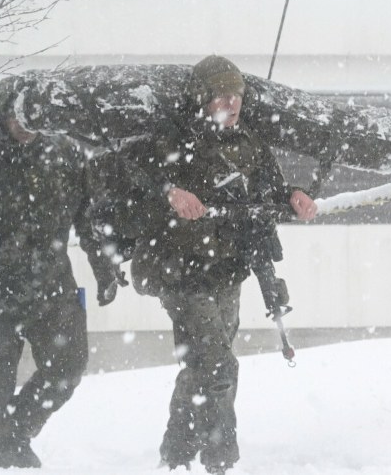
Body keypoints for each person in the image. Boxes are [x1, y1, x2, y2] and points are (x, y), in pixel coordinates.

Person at [118, 55, 316, 475]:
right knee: (219, 365)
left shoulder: (248, 141)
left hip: (227, 269)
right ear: (202, 98)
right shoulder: (173, 138)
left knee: (202, 368)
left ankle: (175, 457)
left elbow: (269, 188)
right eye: (222, 95)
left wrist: (293, 194)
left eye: (237, 94)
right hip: (179, 270)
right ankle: (220, 462)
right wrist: (171, 192)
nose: (232, 102)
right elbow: (129, 171)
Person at [0, 77, 124, 469]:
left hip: (52, 288)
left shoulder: (66, 157)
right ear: (0, 117)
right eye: (16, 116)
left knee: (68, 367)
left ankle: (15, 435)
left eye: (32, 115)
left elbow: (90, 219)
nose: (24, 123)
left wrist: (105, 268)